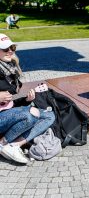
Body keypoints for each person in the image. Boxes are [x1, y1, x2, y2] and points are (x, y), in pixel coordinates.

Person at [0, 33, 55, 164]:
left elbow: (10, 102)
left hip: (8, 114)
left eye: (12, 47)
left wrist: (27, 100)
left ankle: (12, 145)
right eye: (5, 49)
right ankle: (3, 144)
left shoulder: (10, 70)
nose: (10, 51)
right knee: (29, 115)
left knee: (49, 115)